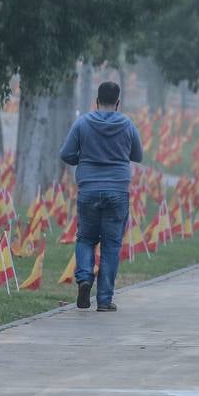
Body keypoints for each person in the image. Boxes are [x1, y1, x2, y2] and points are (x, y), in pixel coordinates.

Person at [59, 81, 144, 312]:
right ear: (118, 103)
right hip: (117, 190)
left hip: (88, 189)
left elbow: (66, 153)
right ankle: (104, 300)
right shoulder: (127, 124)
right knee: (111, 245)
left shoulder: (83, 122)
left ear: (96, 101)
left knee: (86, 238)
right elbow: (137, 154)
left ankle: (85, 278)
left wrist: (85, 160)